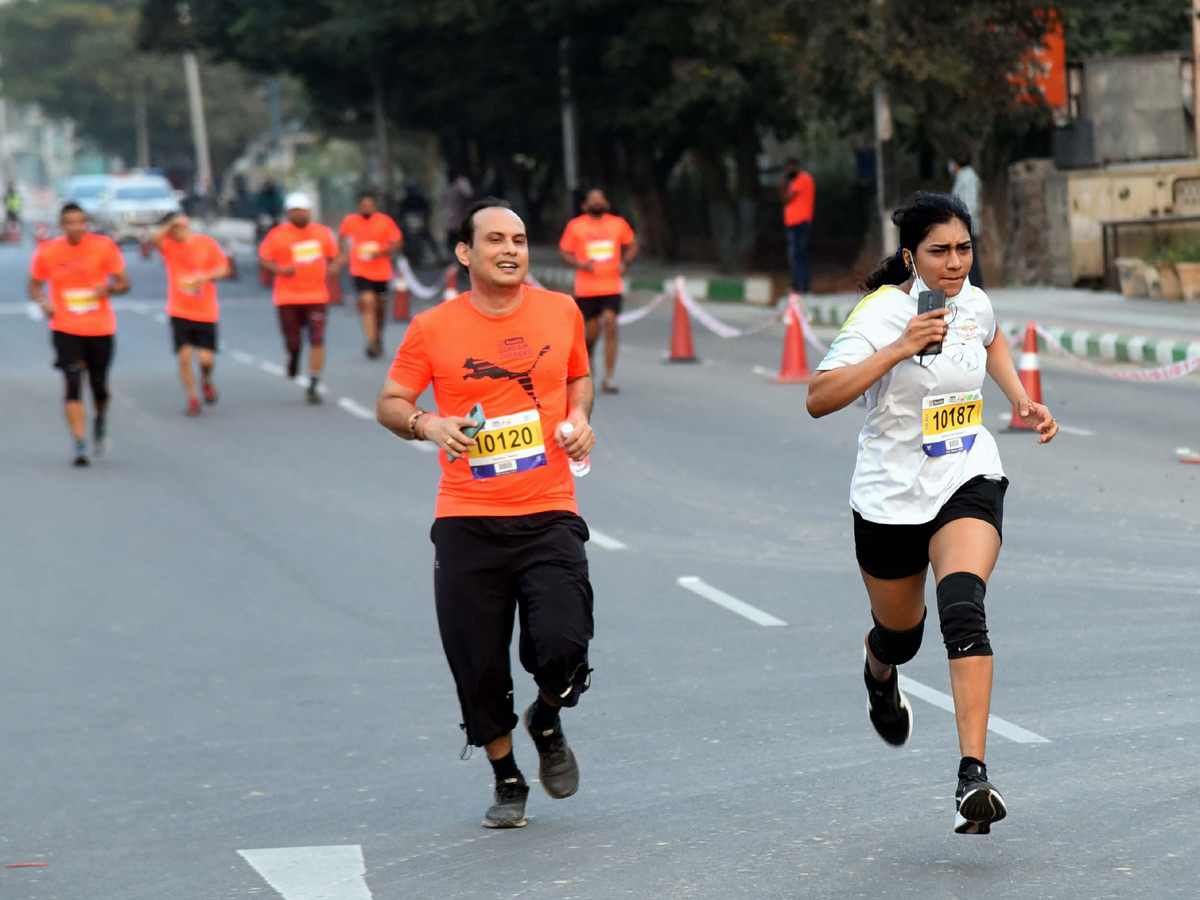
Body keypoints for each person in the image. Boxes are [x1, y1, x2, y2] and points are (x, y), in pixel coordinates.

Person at [805, 193, 1058, 836]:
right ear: (911, 256)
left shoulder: (974, 300)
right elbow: (818, 396)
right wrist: (898, 348)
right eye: (939, 252)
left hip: (965, 471)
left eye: (964, 249)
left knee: (963, 608)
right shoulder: (881, 312)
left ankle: (973, 774)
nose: (954, 264)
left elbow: (992, 339)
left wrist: (1022, 399)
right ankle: (879, 671)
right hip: (890, 494)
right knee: (902, 635)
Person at [376, 198, 596, 830]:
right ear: (465, 253)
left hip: (548, 509)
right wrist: (428, 423)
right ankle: (506, 778)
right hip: (467, 516)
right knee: (477, 661)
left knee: (562, 643)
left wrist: (579, 419)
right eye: (495, 239)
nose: (511, 250)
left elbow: (578, 378)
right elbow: (390, 401)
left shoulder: (560, 310)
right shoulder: (433, 327)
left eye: (520, 240)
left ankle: (546, 717)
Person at [28, 203, 131, 466]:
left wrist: (108, 290)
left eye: (80, 222)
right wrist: (43, 302)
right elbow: (35, 285)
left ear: (86, 224)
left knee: (99, 386)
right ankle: (80, 442)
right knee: (72, 382)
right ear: (62, 226)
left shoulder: (104, 247)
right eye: (69, 222)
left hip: (100, 328)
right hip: (65, 327)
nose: (75, 227)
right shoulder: (47, 251)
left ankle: (99, 418)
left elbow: (124, 283)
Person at [258, 192, 341, 404]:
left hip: (316, 295)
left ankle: (313, 382)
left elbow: (336, 255)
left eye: (302, 210)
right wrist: (280, 269)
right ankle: (293, 357)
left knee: (317, 338)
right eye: (294, 211)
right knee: (293, 341)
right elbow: (264, 258)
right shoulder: (277, 234)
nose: (299, 214)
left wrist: (334, 267)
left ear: (309, 212)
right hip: (287, 297)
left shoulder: (322, 233)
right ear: (288, 213)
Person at [557, 188, 637, 394]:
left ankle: (609, 378)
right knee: (591, 332)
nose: (597, 203)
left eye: (601, 200)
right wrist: (581, 264)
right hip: (586, 288)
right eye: (593, 200)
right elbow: (564, 252)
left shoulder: (618, 224)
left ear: (607, 204)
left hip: (611, 286)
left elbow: (632, 245)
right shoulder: (575, 226)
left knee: (610, 323)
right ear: (584, 206)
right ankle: (589, 354)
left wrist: (625, 262)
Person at [151, 213, 231, 415]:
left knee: (205, 359)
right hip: (179, 310)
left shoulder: (206, 244)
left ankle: (206, 379)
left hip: (205, 311)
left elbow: (224, 269)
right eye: (173, 228)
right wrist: (169, 224)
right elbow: (154, 239)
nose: (178, 231)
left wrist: (206, 276)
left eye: (181, 226)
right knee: (184, 357)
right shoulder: (168, 246)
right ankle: (193, 398)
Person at [338, 191, 403, 359]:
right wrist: (343, 255)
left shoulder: (385, 221)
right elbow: (342, 238)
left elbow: (397, 242)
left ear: (374, 206)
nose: (366, 207)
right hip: (360, 271)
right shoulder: (350, 221)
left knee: (380, 307)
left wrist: (382, 252)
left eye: (369, 204)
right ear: (359, 206)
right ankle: (372, 341)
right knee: (367, 302)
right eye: (363, 205)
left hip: (382, 273)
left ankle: (378, 335)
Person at [780, 157, 815, 295]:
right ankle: (800, 286)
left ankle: (801, 286)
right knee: (797, 255)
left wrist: (784, 181)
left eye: (789, 168)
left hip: (801, 222)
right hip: (793, 223)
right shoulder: (795, 181)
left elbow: (787, 197)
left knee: (797, 254)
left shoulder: (803, 179)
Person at [949, 155, 984, 289]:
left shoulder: (968, 179)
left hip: (967, 227)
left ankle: (976, 288)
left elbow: (970, 205)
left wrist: (963, 227)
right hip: (964, 226)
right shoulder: (963, 178)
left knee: (970, 259)